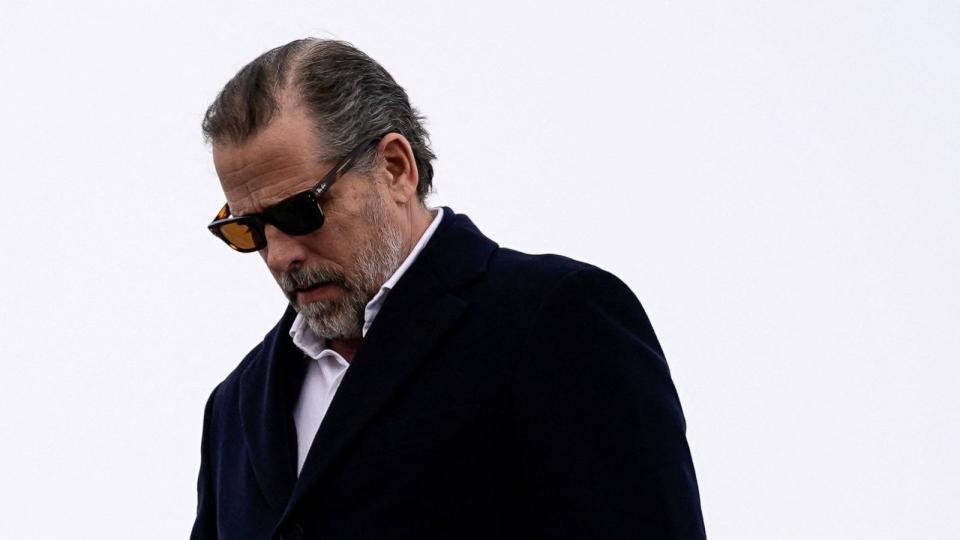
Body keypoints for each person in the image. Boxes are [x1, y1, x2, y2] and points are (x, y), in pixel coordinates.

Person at [191, 38, 706, 540]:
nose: (279, 255)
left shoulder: (556, 319)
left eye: (300, 212)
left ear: (395, 168)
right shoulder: (235, 407)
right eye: (248, 230)